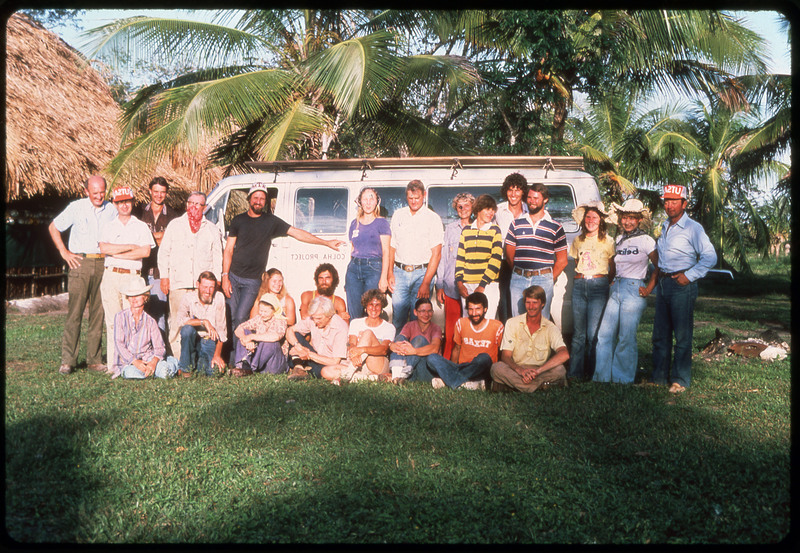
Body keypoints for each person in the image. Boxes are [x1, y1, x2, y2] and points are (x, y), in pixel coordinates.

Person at [222, 183, 344, 359]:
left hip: (252, 280)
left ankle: (240, 359)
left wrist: (325, 243)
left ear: (266, 201)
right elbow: (228, 250)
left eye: (262, 198)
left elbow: (297, 233)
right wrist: (225, 276)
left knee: (241, 317)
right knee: (231, 315)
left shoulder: (270, 222)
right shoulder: (238, 220)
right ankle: (230, 356)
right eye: (255, 197)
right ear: (249, 199)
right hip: (233, 276)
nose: (258, 201)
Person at [650, 184, 717, 393]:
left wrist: (689, 276)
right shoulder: (664, 226)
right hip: (663, 283)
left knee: (682, 335)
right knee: (660, 334)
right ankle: (658, 378)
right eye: (667, 201)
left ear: (684, 204)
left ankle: (680, 380)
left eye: (674, 201)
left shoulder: (693, 228)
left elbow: (710, 257)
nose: (669, 205)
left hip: (682, 286)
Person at [48, 175, 118, 374]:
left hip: (104, 263)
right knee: (75, 312)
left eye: (102, 191)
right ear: (86, 191)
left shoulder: (111, 210)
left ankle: (94, 360)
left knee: (98, 313)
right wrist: (64, 252)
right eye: (94, 192)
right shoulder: (76, 207)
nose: (99, 196)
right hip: (81, 262)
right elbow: (53, 227)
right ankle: (68, 360)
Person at [594, 199, 657, 384]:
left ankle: (622, 379)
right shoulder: (620, 240)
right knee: (604, 334)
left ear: (638, 220)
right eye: (624, 218)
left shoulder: (646, 240)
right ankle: (602, 378)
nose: (627, 222)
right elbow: (613, 265)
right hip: (616, 288)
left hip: (633, 290)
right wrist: (611, 281)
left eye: (632, 218)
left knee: (626, 337)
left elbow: (659, 266)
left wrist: (649, 288)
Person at [158, 191, 223, 358]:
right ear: (187, 205)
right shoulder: (174, 225)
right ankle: (180, 359)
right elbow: (164, 252)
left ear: (205, 207)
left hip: (201, 287)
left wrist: (215, 282)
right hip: (179, 282)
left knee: (201, 322)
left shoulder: (212, 229)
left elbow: (217, 257)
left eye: (198, 204)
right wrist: (164, 276)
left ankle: (200, 356)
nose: (194, 207)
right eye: (191, 203)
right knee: (177, 322)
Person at [99, 186, 155, 375]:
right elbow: (104, 248)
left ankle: (131, 362)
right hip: (111, 275)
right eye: (120, 202)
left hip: (132, 277)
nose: (124, 205)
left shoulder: (140, 226)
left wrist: (117, 251)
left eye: (127, 201)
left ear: (132, 202)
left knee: (131, 321)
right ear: (115, 204)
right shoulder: (108, 226)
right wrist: (129, 247)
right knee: (113, 321)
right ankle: (113, 365)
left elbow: (145, 252)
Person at [566, 201, 616, 381]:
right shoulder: (578, 240)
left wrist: (603, 282)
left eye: (595, 217)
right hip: (579, 286)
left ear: (601, 220)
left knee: (593, 333)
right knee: (578, 333)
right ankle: (575, 374)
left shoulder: (608, 241)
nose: (591, 220)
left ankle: (594, 372)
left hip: (598, 286)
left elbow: (612, 268)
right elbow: (575, 263)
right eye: (588, 217)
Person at [490, 285, 570, 392]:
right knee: (496, 368)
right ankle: (538, 387)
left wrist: (538, 371)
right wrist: (520, 371)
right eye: (528, 302)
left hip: (540, 370)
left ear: (542, 304)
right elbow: (506, 355)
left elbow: (564, 354)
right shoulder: (512, 323)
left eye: (535, 302)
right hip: (517, 369)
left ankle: (519, 386)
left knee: (560, 370)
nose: (531, 307)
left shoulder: (550, 327)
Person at [505, 183, 568, 319]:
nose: (531, 201)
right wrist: (519, 272)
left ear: (545, 200)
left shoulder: (556, 226)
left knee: (540, 322)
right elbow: (510, 255)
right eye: (529, 198)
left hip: (543, 279)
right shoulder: (516, 223)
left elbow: (562, 260)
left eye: (536, 198)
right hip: (518, 279)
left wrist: (548, 279)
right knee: (518, 322)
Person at [387, 180, 443, 332]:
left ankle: (416, 353)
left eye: (417, 198)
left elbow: (436, 254)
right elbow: (392, 246)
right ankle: (398, 353)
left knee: (418, 318)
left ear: (424, 195)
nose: (414, 201)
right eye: (410, 198)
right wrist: (390, 272)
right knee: (398, 317)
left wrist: (426, 282)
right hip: (399, 272)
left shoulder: (433, 218)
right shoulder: (398, 215)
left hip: (422, 274)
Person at [423, 292, 504, 390]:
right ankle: (467, 384)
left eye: (478, 309)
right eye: (471, 309)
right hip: (462, 367)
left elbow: (502, 353)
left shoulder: (497, 326)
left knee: (484, 357)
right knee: (432, 358)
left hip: (482, 368)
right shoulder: (461, 323)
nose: (474, 314)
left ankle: (449, 380)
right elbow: (456, 349)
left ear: (485, 309)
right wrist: (453, 366)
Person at [135, 176, 179, 336]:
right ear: (150, 192)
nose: (159, 195)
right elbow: (136, 239)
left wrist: (148, 237)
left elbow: (171, 241)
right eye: (156, 192)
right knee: (140, 312)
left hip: (161, 272)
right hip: (140, 269)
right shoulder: (139, 212)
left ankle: (159, 351)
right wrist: (159, 236)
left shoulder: (173, 216)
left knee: (159, 313)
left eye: (162, 192)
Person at [111, 276, 179, 380]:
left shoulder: (151, 321)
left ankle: (172, 362)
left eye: (137, 295)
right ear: (127, 298)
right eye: (131, 295)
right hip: (128, 362)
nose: (134, 299)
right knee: (131, 373)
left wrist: (153, 363)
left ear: (145, 297)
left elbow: (159, 347)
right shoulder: (120, 317)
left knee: (165, 373)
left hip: (148, 358)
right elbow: (119, 344)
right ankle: (151, 372)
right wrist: (135, 362)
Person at [322, 289, 395, 384]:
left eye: (377, 305)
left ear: (382, 308)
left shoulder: (388, 327)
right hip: (358, 364)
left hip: (378, 363)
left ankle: (347, 375)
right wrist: (354, 354)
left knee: (368, 333)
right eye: (371, 304)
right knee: (326, 371)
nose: (374, 308)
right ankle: (371, 378)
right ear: (366, 306)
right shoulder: (356, 323)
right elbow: (351, 343)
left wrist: (362, 350)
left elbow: (383, 349)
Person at [436, 193, 475, 358]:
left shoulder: (480, 227)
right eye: (459, 206)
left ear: (473, 207)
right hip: (451, 286)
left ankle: (468, 361)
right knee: (451, 328)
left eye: (466, 205)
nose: (463, 209)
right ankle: (447, 362)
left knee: (470, 326)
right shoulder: (450, 229)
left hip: (472, 286)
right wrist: (439, 285)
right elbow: (443, 258)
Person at [344, 187, 391, 319]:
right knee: (354, 310)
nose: (368, 202)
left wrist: (383, 278)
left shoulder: (382, 223)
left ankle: (370, 338)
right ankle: (354, 338)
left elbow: (386, 251)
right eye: (365, 199)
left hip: (373, 268)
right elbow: (352, 249)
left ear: (377, 202)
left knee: (372, 308)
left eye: (372, 198)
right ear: (360, 202)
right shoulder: (354, 223)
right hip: (353, 268)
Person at [454, 194, 503, 319]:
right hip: (467, 285)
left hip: (488, 286)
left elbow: (496, 260)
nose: (491, 213)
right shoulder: (466, 231)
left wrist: (482, 285)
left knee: (487, 322)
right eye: (487, 209)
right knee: (468, 324)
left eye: (493, 210)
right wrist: (460, 284)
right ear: (478, 210)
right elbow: (460, 259)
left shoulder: (495, 230)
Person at [176, 271, 228, 377]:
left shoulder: (219, 297)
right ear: (197, 285)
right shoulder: (188, 297)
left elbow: (222, 330)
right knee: (187, 330)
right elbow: (180, 320)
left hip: (210, 340)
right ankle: (186, 370)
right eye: (204, 287)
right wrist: (204, 322)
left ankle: (198, 363)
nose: (208, 291)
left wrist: (217, 355)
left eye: (211, 287)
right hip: (194, 339)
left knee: (214, 373)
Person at [285, 296, 349, 381]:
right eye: (313, 318)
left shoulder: (340, 328)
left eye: (319, 318)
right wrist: (298, 347)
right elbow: (290, 330)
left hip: (328, 364)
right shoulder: (314, 318)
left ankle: (305, 369)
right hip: (315, 356)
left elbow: (334, 361)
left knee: (322, 371)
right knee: (296, 334)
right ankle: (299, 368)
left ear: (329, 315)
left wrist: (308, 355)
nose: (315, 321)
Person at [494, 173, 528, 322]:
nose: (513, 194)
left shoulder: (529, 210)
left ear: (523, 192)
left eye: (517, 190)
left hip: (525, 261)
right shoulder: (498, 210)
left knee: (526, 298)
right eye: (510, 190)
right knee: (505, 300)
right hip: (504, 262)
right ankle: (507, 336)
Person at [388, 298, 443, 384]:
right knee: (399, 339)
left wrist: (414, 351)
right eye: (422, 311)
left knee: (419, 339)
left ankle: (401, 374)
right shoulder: (410, 325)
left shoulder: (436, 328)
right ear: (415, 312)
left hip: (426, 370)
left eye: (429, 311)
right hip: (412, 370)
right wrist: (392, 345)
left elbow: (435, 348)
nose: (426, 314)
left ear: (432, 312)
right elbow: (399, 340)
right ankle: (397, 374)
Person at [231, 292, 288, 376]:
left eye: (265, 311)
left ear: (273, 310)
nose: (262, 314)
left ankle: (251, 367)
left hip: (274, 364)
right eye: (261, 310)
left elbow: (276, 336)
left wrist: (251, 337)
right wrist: (246, 339)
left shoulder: (280, 320)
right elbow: (238, 329)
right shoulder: (259, 318)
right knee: (245, 331)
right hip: (261, 362)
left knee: (270, 342)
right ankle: (244, 366)